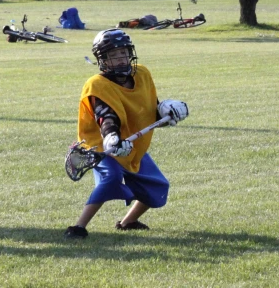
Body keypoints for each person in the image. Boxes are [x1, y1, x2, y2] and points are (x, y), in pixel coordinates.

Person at [64, 29, 189, 239]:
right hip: (102, 147)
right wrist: (111, 137)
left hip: (132, 146)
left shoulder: (142, 74)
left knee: (158, 186)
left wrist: (166, 111)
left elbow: (150, 107)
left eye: (123, 53)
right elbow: (105, 116)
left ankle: (127, 222)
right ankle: (79, 227)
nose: (120, 59)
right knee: (110, 178)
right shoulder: (97, 84)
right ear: (102, 59)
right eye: (113, 56)